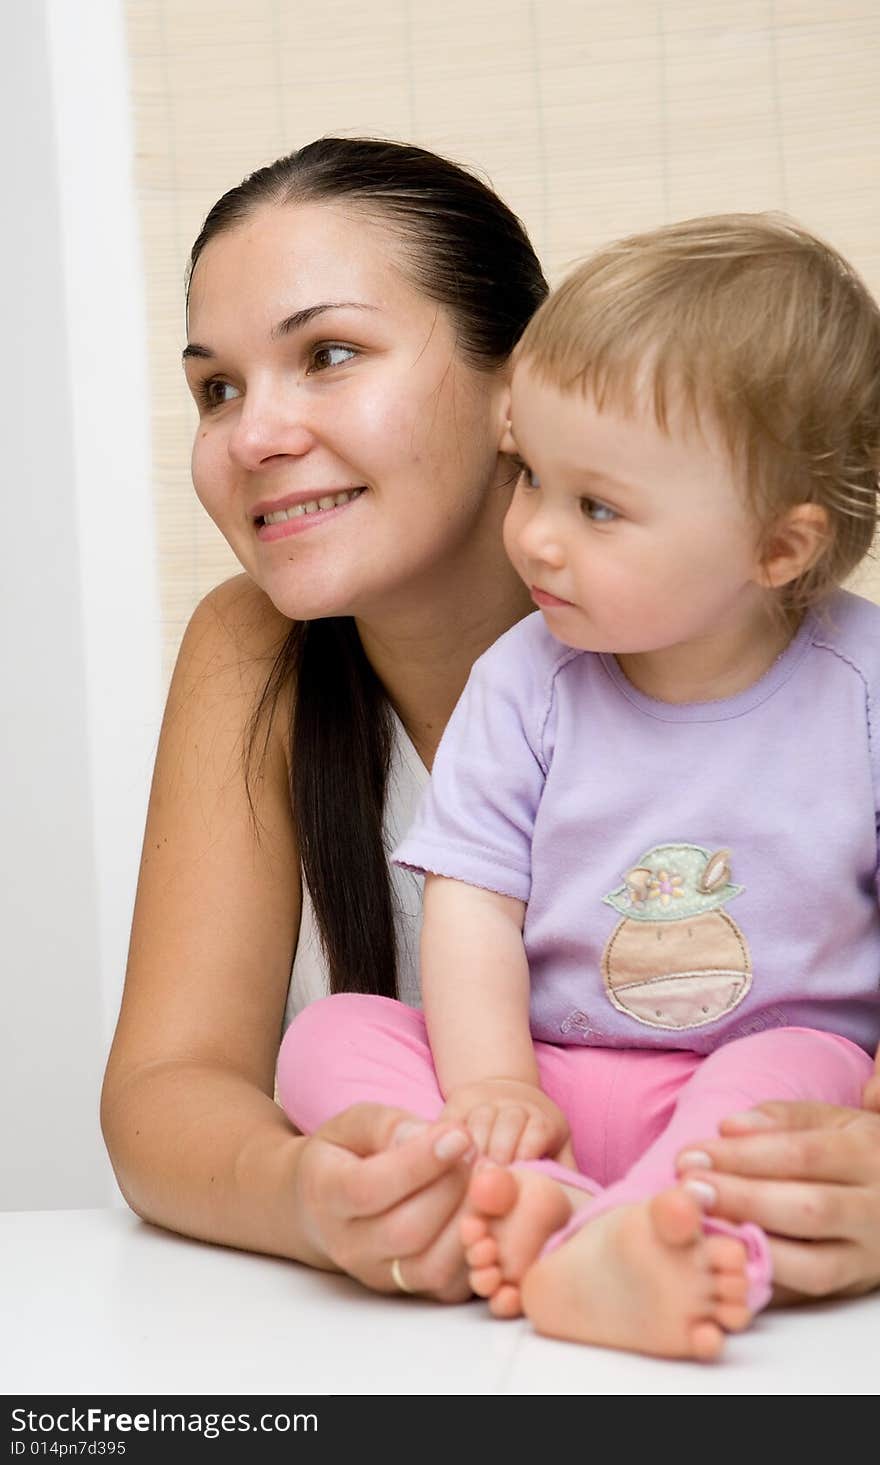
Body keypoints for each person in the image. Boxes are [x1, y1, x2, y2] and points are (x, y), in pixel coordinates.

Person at [101, 141, 880, 1311]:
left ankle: (651, 1238)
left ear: (515, 383)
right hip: (496, 1196)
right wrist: (314, 1197)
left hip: (734, 1154)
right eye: (217, 387)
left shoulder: (770, 655)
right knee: (336, 1040)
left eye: (328, 354)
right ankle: (566, 1239)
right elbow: (167, 1090)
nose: (251, 436)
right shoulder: (250, 645)